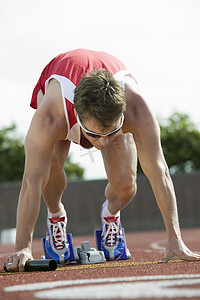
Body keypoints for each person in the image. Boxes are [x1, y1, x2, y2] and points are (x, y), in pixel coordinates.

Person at [6, 49, 200, 271]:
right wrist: (22, 247)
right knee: (48, 170)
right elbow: (31, 182)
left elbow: (159, 171)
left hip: (108, 105)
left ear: (123, 111)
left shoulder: (137, 108)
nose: (103, 144)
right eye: (95, 136)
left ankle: (111, 215)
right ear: (77, 116)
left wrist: (175, 239)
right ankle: (56, 216)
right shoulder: (50, 116)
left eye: (111, 132)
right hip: (60, 83)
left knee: (126, 185)